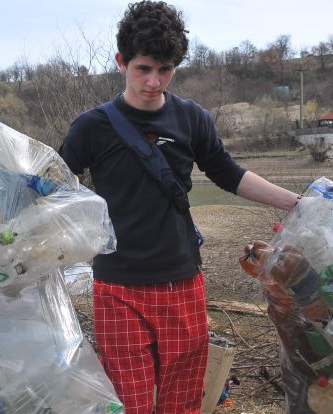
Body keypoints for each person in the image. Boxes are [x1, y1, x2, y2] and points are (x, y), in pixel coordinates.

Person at [58, 2, 301, 413]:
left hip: (182, 281)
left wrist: (297, 202)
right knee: (128, 402)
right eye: (144, 68)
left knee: (183, 402)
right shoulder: (91, 126)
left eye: (165, 69)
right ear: (121, 62)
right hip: (117, 285)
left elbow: (228, 173)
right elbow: (56, 186)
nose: (154, 81)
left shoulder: (192, 118)